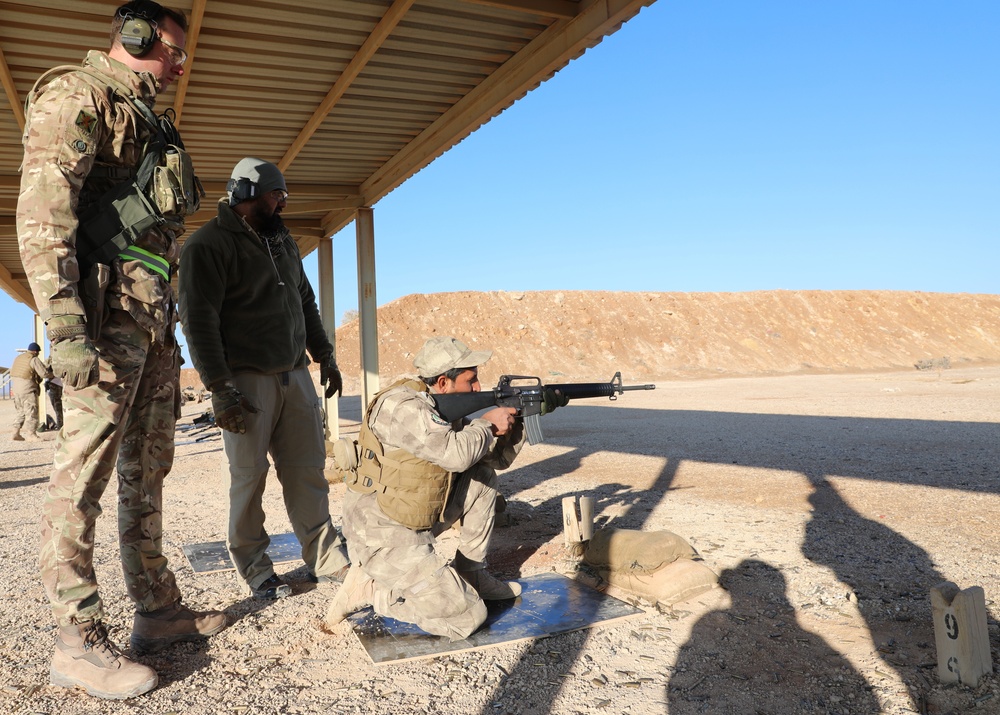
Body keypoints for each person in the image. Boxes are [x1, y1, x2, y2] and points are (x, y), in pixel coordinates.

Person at [16, 1, 225, 700]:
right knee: (82, 479)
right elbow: (44, 211)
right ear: (137, 39)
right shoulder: (79, 97)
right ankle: (76, 640)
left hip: (148, 323)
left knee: (147, 469)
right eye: (172, 51)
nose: (178, 65)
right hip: (104, 322)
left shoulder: (147, 119)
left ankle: (157, 612)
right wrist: (65, 326)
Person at [178, 157, 350, 601]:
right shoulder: (207, 245)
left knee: (307, 473)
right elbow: (198, 321)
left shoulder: (282, 240)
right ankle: (255, 568)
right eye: (276, 195)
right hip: (245, 382)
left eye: (284, 196)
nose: (282, 204)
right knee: (248, 478)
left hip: (295, 376)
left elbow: (305, 300)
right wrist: (219, 388)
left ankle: (326, 558)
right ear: (245, 194)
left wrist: (325, 355)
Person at [326, 336, 565, 641]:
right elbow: (455, 454)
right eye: (472, 380)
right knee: (467, 618)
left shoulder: (441, 406)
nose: (479, 388)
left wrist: (517, 419)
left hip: (416, 513)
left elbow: (493, 459)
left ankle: (471, 572)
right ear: (442, 382)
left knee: (482, 477)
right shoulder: (402, 406)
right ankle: (373, 591)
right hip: (382, 533)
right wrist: (488, 425)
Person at [10, 342, 50, 441]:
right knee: (31, 412)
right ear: (36, 351)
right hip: (27, 390)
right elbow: (44, 373)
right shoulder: (34, 359)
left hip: (16, 390)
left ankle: (15, 433)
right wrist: (52, 374)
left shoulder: (18, 358)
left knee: (21, 412)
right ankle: (31, 435)